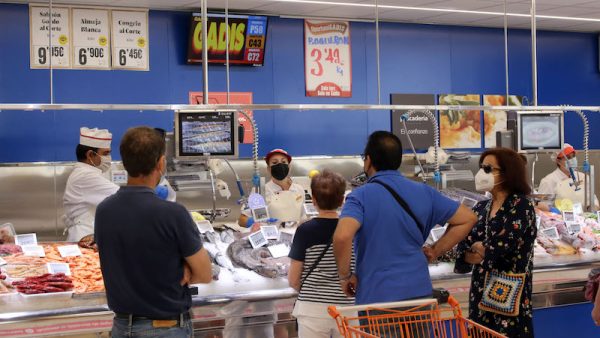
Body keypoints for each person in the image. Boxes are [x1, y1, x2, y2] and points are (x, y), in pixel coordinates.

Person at [333, 131, 477, 306]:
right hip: (419, 293)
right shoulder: (425, 192)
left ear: (368, 160)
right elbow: (468, 218)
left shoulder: (360, 196)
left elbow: (342, 236)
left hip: (377, 296)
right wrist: (435, 250)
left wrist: (345, 276)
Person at [95, 126, 212, 338]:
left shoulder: (103, 210)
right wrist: (184, 269)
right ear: (160, 163)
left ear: (123, 163)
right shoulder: (174, 213)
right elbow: (205, 274)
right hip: (164, 329)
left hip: (121, 328)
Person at [455, 148, 537, 338]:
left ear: (507, 173)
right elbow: (464, 245)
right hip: (480, 294)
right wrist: (478, 250)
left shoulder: (521, 205)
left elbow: (503, 245)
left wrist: (482, 249)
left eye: (488, 168)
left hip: (510, 294)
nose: (481, 173)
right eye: (481, 167)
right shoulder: (481, 206)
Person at [288, 170, 353, 338]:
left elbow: (293, 279)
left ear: (313, 200)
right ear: (342, 200)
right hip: (348, 310)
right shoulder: (352, 229)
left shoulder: (305, 230)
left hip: (312, 310)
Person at [63, 127, 119, 243]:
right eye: (105, 153)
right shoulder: (85, 175)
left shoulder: (88, 173)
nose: (109, 158)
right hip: (84, 235)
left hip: (88, 234)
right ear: (90, 155)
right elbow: (122, 197)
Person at [239, 148, 305, 227]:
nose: (280, 165)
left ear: (289, 167)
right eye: (274, 162)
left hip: (296, 235)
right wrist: (253, 222)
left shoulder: (299, 189)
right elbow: (242, 220)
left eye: (283, 162)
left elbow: (305, 217)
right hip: (272, 237)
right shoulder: (260, 191)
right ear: (269, 169)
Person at [537, 143, 598, 211]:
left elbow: (593, 200)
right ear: (558, 161)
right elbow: (541, 206)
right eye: (568, 157)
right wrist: (555, 211)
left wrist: (593, 210)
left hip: (583, 219)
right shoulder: (548, 181)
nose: (572, 159)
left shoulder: (583, 177)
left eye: (573, 156)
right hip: (559, 220)